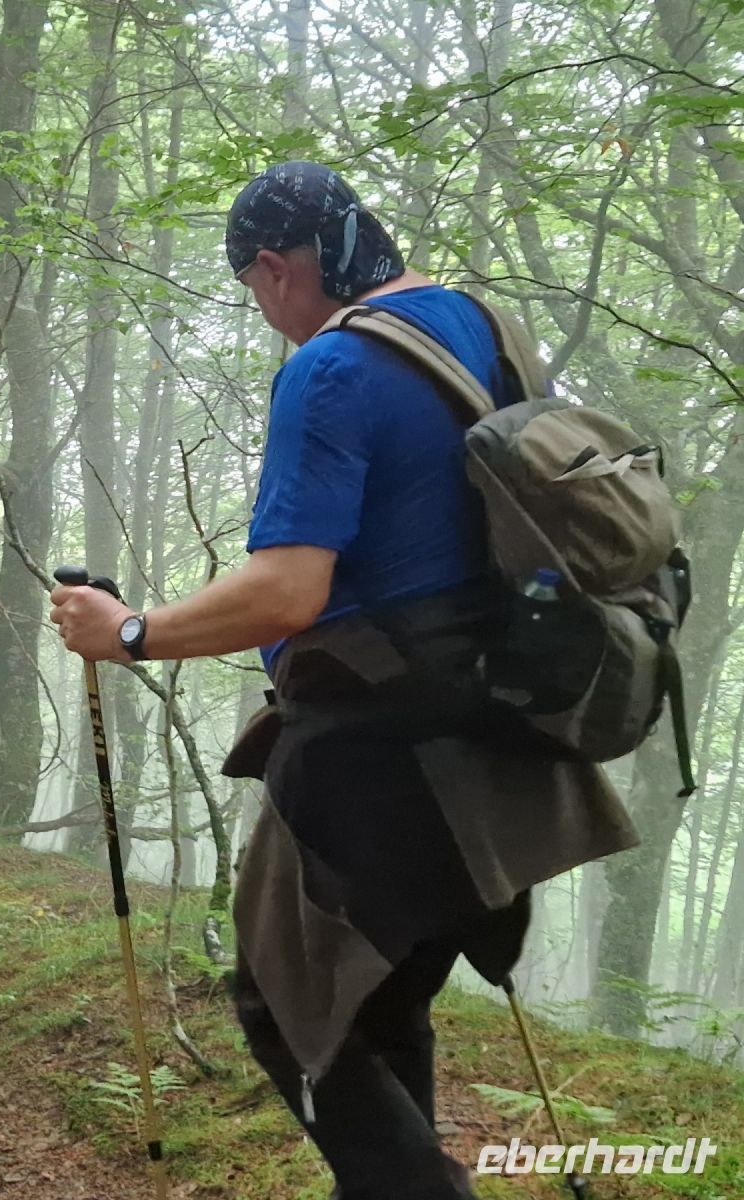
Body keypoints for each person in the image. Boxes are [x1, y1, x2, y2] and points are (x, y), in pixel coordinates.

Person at [49, 161, 637, 1200]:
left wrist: (131, 631)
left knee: (284, 1004)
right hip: (505, 737)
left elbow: (286, 591)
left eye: (253, 289)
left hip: (381, 754)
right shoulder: (480, 324)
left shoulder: (330, 369)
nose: (264, 313)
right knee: (382, 1004)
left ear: (277, 268)